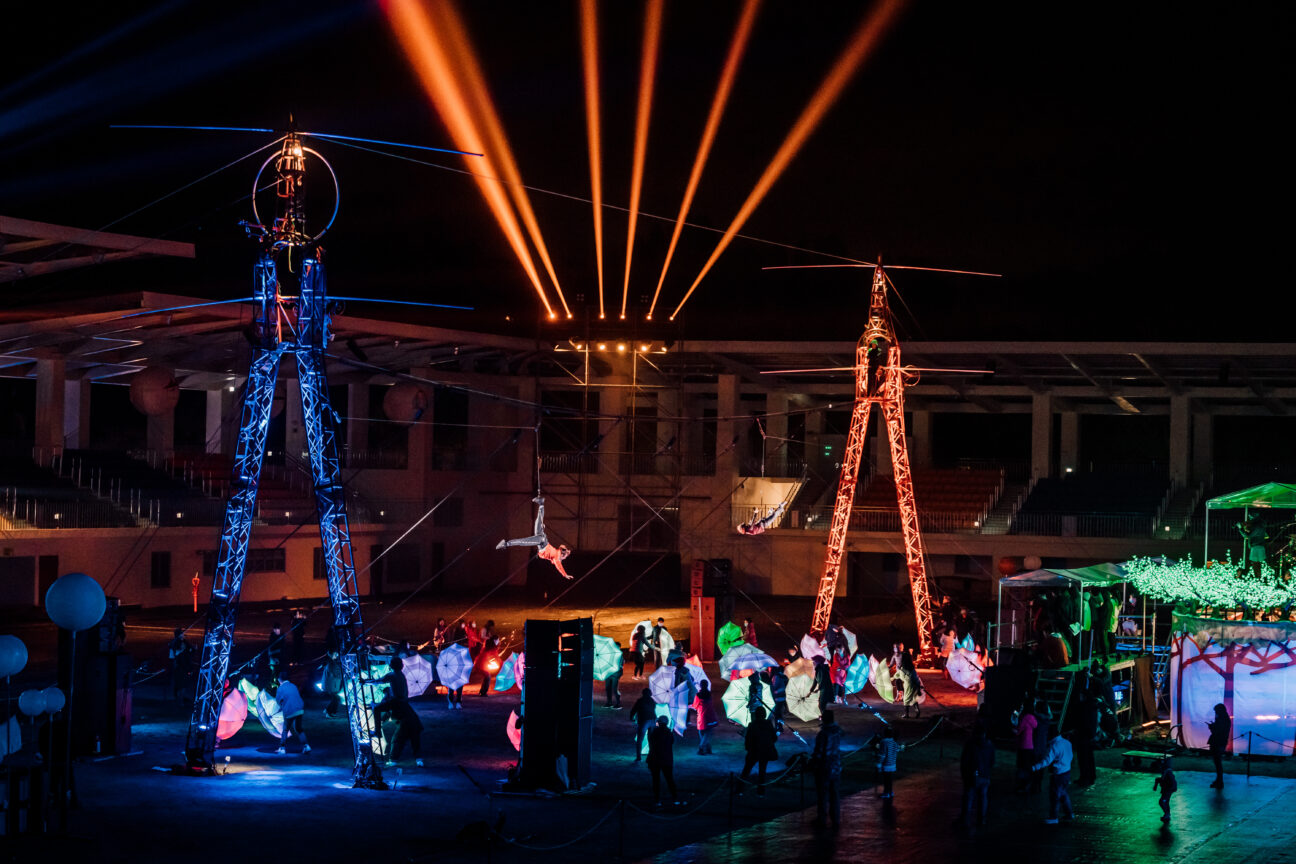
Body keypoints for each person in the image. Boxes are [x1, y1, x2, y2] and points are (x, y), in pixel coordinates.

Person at [496, 496, 573, 578]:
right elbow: (559, 565)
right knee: (523, 542)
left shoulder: (555, 556)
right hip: (542, 541)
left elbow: (561, 549)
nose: (563, 557)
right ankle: (505, 544)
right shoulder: (557, 557)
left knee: (538, 520)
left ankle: (541, 503)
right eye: (564, 556)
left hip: (542, 538)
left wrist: (565, 552)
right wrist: (565, 574)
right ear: (562, 555)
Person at [374, 656, 424, 767]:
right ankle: (419, 759)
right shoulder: (401, 675)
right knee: (414, 738)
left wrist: (365, 682)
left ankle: (393, 759)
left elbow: (378, 681)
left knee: (397, 739)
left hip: (402, 712)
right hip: (410, 713)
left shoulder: (392, 676)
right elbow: (386, 714)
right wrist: (382, 721)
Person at [1031, 724, 1074, 825]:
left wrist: (1034, 767)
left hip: (1058, 774)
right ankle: (1069, 813)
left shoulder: (1054, 746)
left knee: (1054, 796)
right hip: (1067, 772)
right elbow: (1071, 756)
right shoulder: (1067, 742)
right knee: (1063, 794)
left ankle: (1054, 817)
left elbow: (1046, 761)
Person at [958, 722, 994, 828]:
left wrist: (965, 774)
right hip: (985, 775)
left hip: (972, 775)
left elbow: (965, 761)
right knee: (983, 797)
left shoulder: (971, 745)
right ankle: (981, 819)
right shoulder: (989, 745)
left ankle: (965, 820)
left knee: (969, 797)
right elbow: (992, 761)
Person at [811, 710, 843, 829]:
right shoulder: (837, 732)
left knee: (823, 794)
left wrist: (814, 762)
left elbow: (819, 752)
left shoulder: (823, 734)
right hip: (836, 766)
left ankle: (822, 819)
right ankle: (835, 818)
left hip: (824, 768)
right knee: (834, 794)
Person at [740, 705, 778, 796]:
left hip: (754, 751)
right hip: (765, 751)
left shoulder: (752, 725)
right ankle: (761, 792)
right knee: (762, 772)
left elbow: (748, 739)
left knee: (746, 770)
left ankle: (739, 790)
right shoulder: (768, 724)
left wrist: (748, 748)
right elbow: (774, 738)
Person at [646, 715, 681, 807]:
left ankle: (657, 800)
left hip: (655, 760)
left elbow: (651, 743)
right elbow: (671, 743)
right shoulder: (669, 733)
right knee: (670, 779)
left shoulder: (654, 732)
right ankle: (675, 799)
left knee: (656, 780)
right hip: (667, 760)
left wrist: (650, 731)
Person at [274, 677, 310, 755]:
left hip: (289, 710)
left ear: (279, 680)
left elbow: (278, 701)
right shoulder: (293, 686)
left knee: (285, 729)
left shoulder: (281, 688)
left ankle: (282, 748)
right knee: (299, 729)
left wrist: (281, 706)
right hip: (299, 709)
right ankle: (306, 746)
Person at [1012, 697, 1040, 793]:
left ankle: (1021, 786)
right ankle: (1028, 785)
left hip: (1023, 745)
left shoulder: (1025, 717)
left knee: (1021, 766)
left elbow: (1018, 730)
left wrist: (1014, 728)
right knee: (1027, 766)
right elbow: (1035, 726)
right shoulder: (1032, 717)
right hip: (1030, 745)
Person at [1073, 687, 1098, 787]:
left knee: (1083, 758)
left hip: (1083, 735)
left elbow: (1082, 722)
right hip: (1089, 735)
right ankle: (1090, 776)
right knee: (1089, 757)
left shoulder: (1084, 707)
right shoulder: (1093, 706)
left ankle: (1085, 777)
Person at [874, 726, 904, 799]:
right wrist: (902, 747)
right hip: (892, 764)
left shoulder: (884, 742)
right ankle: (890, 792)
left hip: (886, 764)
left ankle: (886, 793)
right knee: (889, 779)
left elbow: (882, 754)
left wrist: (879, 764)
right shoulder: (894, 742)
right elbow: (897, 749)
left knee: (886, 779)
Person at [1207, 703, 1230, 789]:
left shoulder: (1221, 720)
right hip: (1221, 743)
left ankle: (1219, 781)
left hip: (1217, 743)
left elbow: (1217, 732)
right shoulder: (1225, 719)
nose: (1215, 713)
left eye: (1216, 711)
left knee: (1217, 763)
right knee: (1218, 763)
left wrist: (1211, 727)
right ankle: (1219, 781)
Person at [693, 679, 718, 754]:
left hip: (702, 716)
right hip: (710, 715)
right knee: (708, 732)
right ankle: (708, 748)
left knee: (702, 732)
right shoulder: (709, 694)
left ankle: (701, 747)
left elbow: (695, 705)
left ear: (700, 685)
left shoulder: (698, 695)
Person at [630, 688, 656, 762]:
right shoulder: (652, 701)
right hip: (652, 720)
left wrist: (632, 717)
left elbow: (633, 710)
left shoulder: (640, 701)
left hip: (644, 721)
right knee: (651, 739)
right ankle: (652, 756)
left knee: (640, 739)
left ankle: (638, 757)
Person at [895, 652, 923, 719]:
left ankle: (906, 714)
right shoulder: (912, 667)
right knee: (913, 698)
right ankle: (917, 711)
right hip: (916, 683)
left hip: (909, 685)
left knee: (906, 699)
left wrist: (899, 670)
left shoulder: (904, 668)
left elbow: (902, 677)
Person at [168, 628, 191, 701]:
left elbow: (189, 650)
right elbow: (173, 655)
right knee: (179, 683)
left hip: (184, 666)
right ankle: (178, 698)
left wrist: (192, 649)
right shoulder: (174, 643)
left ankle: (181, 697)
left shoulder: (185, 642)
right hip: (178, 666)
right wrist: (181, 650)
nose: (184, 635)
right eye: (182, 634)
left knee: (184, 683)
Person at [1152, 756, 1177, 823]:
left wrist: (1157, 785)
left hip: (1168, 789)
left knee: (1162, 802)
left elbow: (1169, 780)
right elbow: (1161, 779)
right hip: (1168, 788)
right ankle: (1167, 814)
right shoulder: (1166, 770)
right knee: (1166, 802)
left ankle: (1167, 814)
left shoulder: (1167, 771)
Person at [768, 666, 788, 732]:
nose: (769, 671)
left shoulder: (776, 676)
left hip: (777, 698)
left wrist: (774, 691)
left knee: (776, 714)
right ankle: (779, 727)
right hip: (782, 697)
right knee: (779, 713)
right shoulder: (783, 676)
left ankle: (778, 728)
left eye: (770, 670)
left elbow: (776, 687)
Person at [604, 643, 623, 708]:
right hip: (609, 673)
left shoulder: (620, 655)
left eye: (617, 647)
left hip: (615, 674)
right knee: (607, 688)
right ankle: (609, 702)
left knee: (614, 689)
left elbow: (620, 665)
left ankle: (618, 703)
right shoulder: (610, 654)